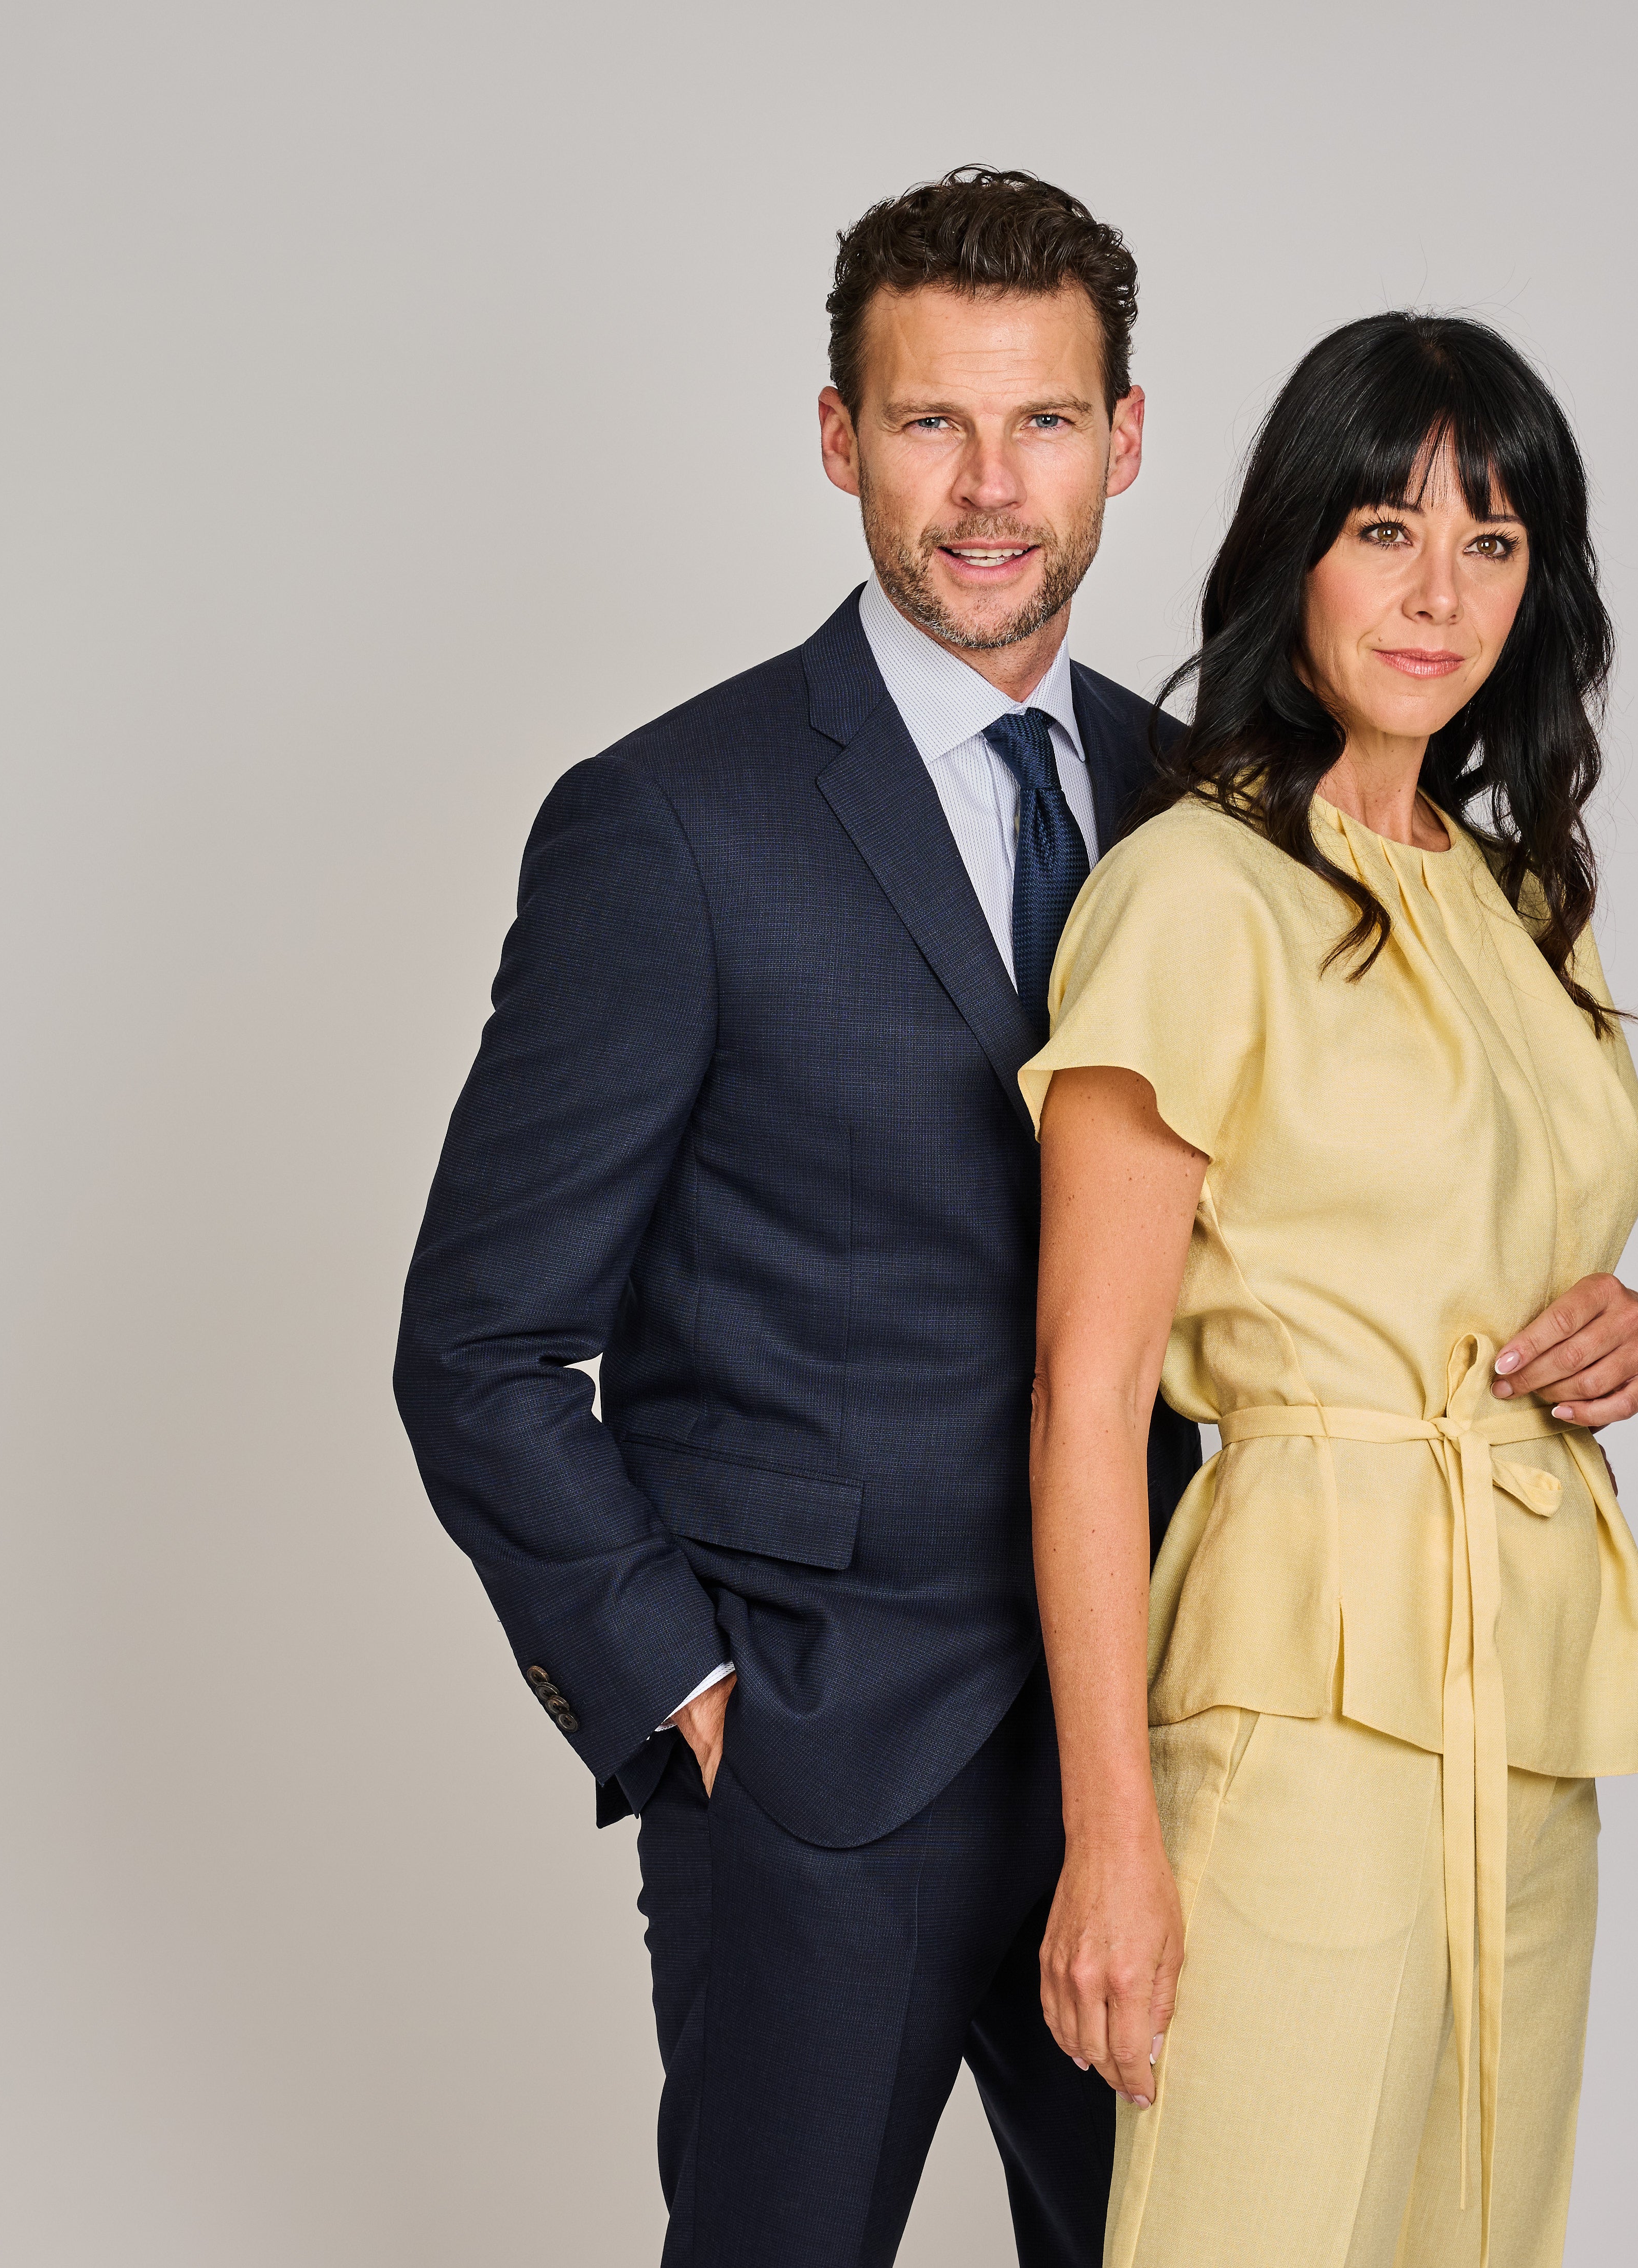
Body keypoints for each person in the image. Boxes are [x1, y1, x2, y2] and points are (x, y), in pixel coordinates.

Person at [391, 168, 1203, 2268]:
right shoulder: (673, 823)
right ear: (841, 437)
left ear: (1124, 439)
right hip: (814, 1769)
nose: (991, 487)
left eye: (1043, 421)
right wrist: (687, 1697)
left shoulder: (1205, 809)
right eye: (933, 421)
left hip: (1158, 1754)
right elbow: (478, 1346)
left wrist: (1580, 1323)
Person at [1022, 313, 1638, 2268]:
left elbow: (1509, 1236)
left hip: (1525, 1700)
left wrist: (1629, 1326)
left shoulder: (1518, 900)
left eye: (1492, 542)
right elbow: (1084, 1396)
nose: (1439, 593)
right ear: (1296, 550)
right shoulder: (1195, 892)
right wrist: (1112, 1843)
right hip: (1301, 1694)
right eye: (1387, 529)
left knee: (1477, 2238)